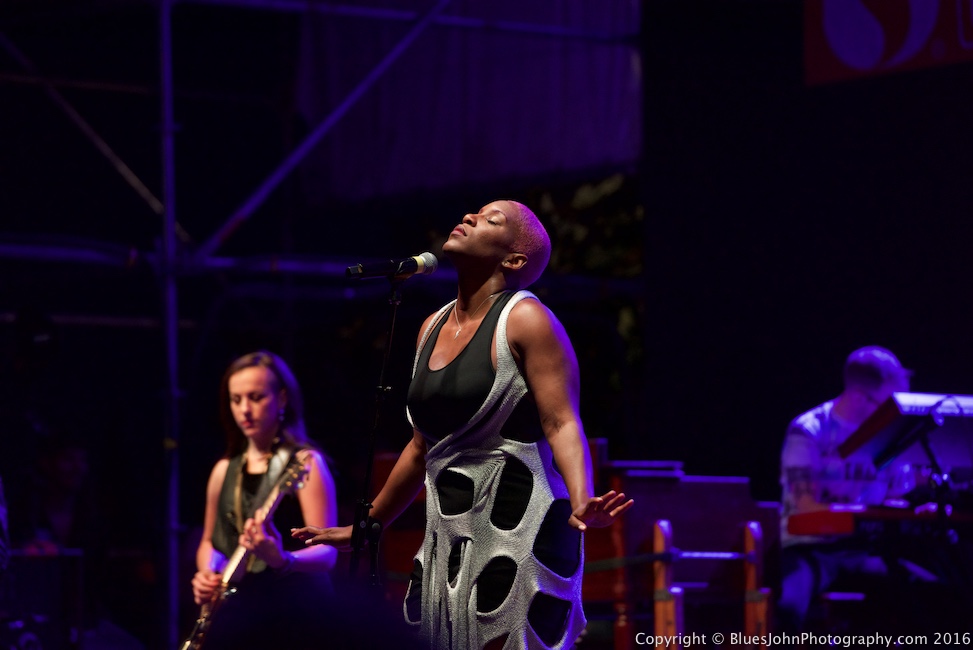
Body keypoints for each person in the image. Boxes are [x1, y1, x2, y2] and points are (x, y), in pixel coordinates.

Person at [294, 199, 633, 649]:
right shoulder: (430, 326)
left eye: (491, 220)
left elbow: (562, 421)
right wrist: (367, 525)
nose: (470, 217)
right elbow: (421, 448)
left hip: (520, 523)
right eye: (474, 212)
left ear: (514, 259)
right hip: (450, 532)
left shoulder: (527, 320)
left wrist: (581, 497)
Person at [188, 351, 338, 648]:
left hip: (298, 615)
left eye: (255, 397)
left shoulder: (306, 463)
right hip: (244, 615)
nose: (244, 409)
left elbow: (328, 553)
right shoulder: (223, 469)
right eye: (236, 399)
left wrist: (284, 560)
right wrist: (207, 572)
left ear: (282, 399)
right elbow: (210, 542)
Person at [777, 345, 912, 632]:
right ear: (860, 397)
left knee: (932, 593)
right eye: (888, 404)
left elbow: (895, 498)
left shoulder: (890, 434)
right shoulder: (810, 429)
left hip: (863, 551)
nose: (894, 413)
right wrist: (865, 515)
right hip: (810, 549)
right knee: (788, 608)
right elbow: (806, 507)